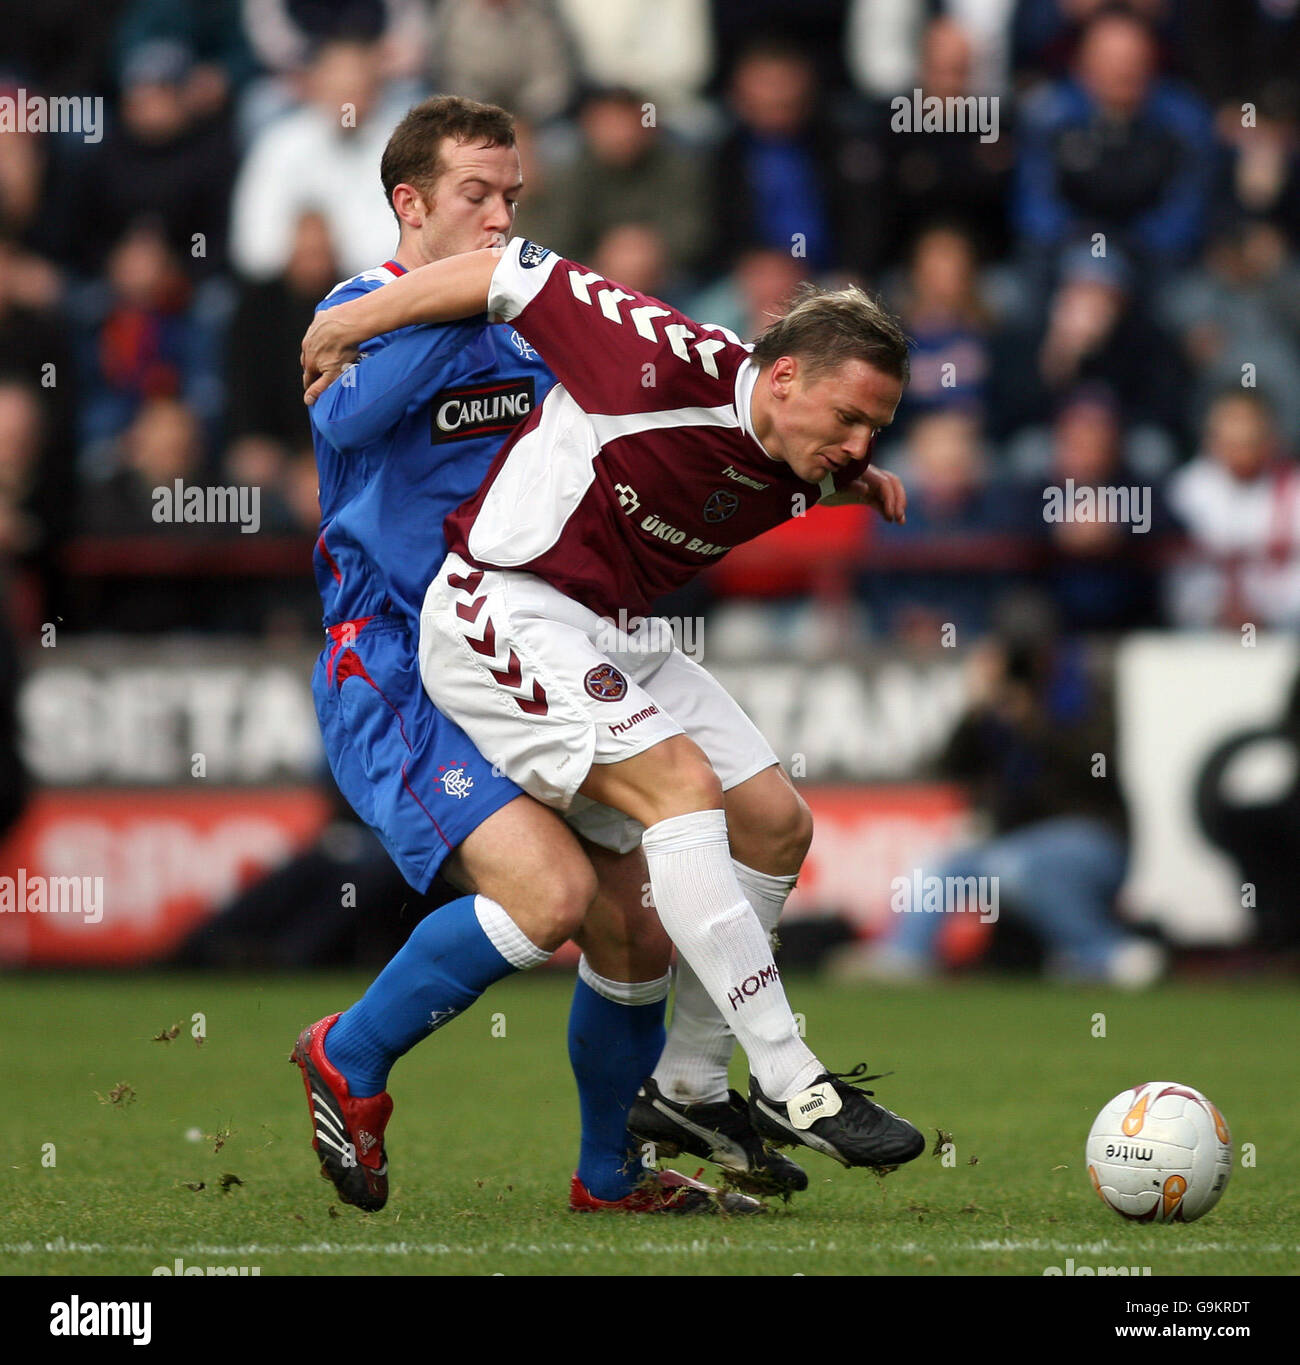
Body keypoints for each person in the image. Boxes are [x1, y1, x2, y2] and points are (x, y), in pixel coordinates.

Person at [301, 234, 928, 1171]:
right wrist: (343, 321)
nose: (858, 443)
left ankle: (689, 1089)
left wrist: (853, 480)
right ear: (784, 375)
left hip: (608, 625)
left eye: (877, 429)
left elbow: (793, 463)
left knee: (772, 823)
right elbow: (510, 269)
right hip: (500, 602)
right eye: (848, 419)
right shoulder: (656, 355)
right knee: (677, 791)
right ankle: (795, 1078)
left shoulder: (803, 447)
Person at [293, 96, 804, 1217]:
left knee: (634, 916)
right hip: (387, 659)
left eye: (513, 199)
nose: (500, 216)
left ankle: (609, 1175)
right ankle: (347, 1054)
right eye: (476, 195)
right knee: (552, 893)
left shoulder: (534, 320)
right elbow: (348, 419)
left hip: (522, 641)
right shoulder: (354, 309)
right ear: (409, 203)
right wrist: (491, 286)